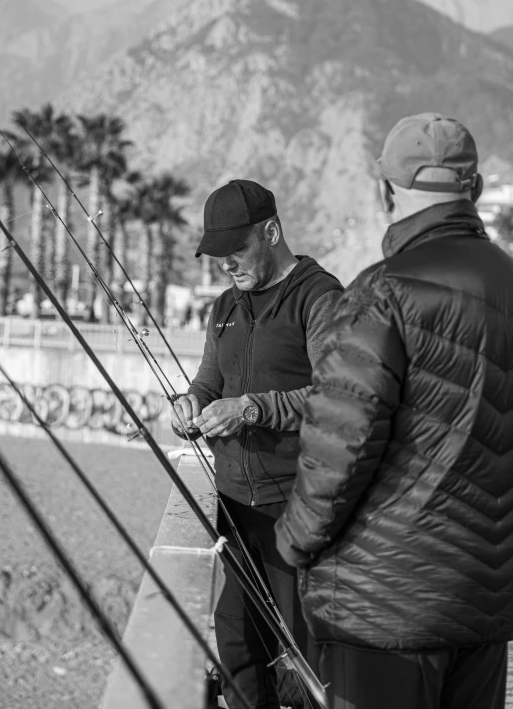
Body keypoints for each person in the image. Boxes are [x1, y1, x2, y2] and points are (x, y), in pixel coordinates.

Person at [276, 112, 513, 709]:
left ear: (384, 191)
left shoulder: (380, 293)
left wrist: (292, 545)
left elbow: (338, 450)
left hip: (379, 613)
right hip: (485, 610)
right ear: (477, 190)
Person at [170, 179, 344, 709]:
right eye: (217, 252)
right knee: (237, 648)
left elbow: (338, 398)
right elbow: (207, 381)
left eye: (236, 249)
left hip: (299, 511)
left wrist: (251, 408)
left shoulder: (320, 297)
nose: (226, 263)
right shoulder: (223, 305)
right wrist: (190, 403)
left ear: (271, 232)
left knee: (311, 660)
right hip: (236, 511)